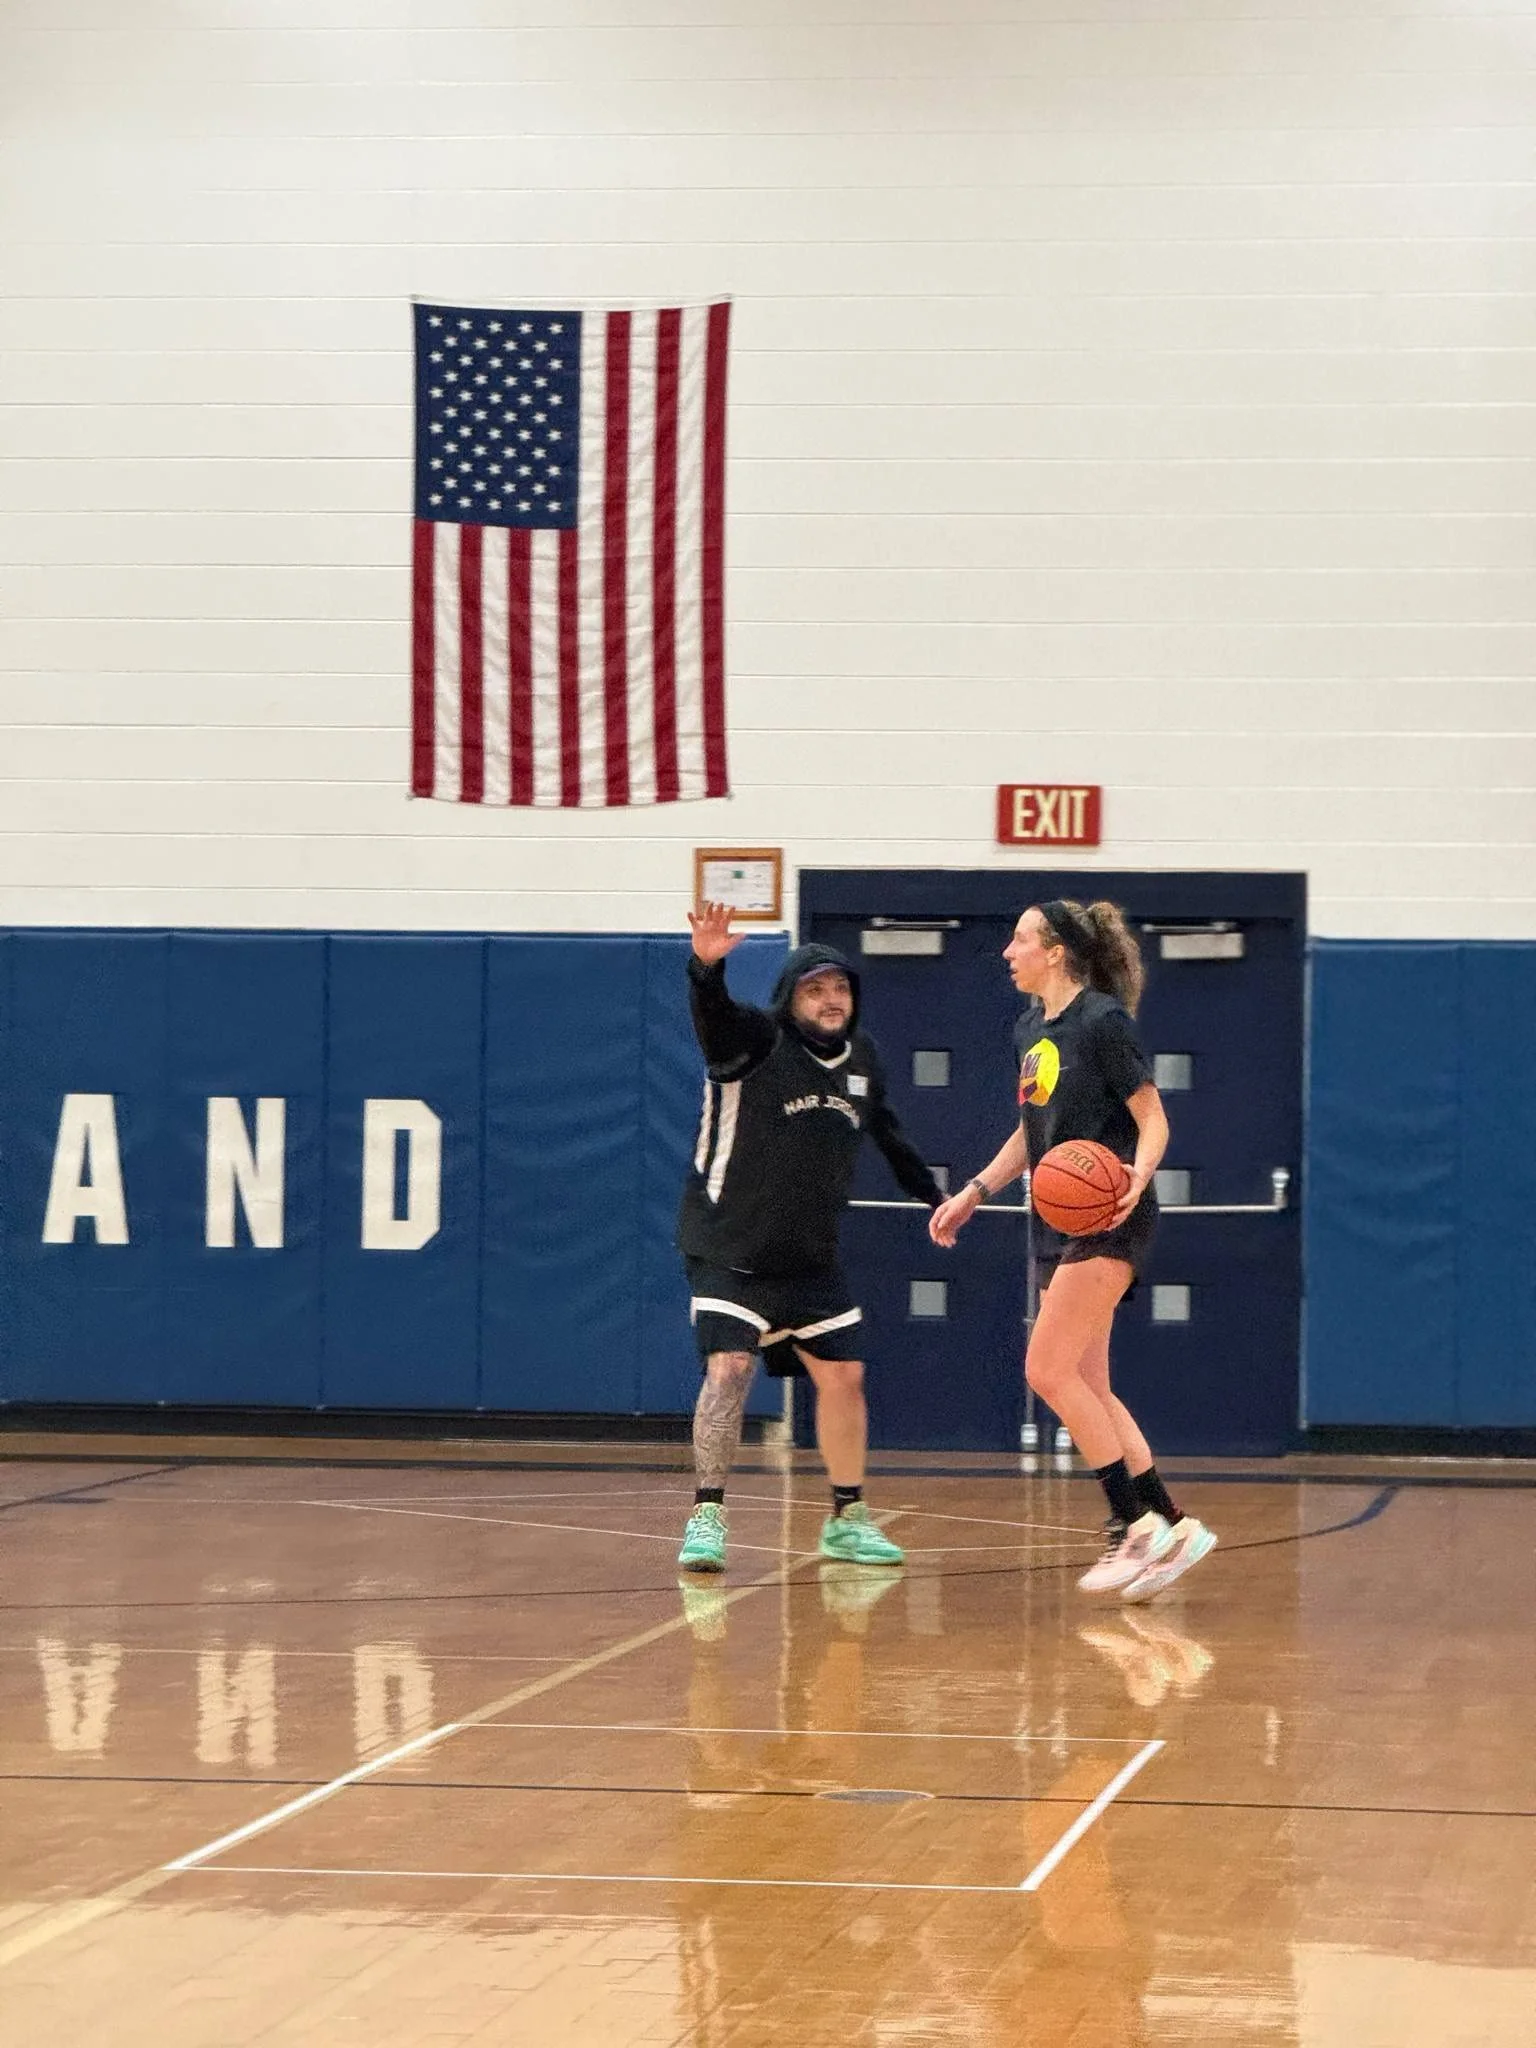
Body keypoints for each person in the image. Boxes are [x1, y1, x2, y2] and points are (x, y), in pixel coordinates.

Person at [929, 898, 1216, 1600]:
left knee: (1046, 1369)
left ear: (1055, 952)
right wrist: (976, 1189)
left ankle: (1132, 1524)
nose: (1008, 952)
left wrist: (1138, 1174)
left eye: (1019, 939)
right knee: (1088, 1383)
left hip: (1112, 1214)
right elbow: (1035, 1134)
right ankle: (1171, 1523)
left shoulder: (1103, 1022)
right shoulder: (1032, 1028)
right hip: (1067, 1222)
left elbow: (1153, 1118)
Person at [676, 901, 945, 1573]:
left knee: (845, 1375)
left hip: (807, 1255)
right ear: (790, 998)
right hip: (728, 1244)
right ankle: (707, 1513)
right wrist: (707, 968)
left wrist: (936, 1198)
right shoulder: (755, 1042)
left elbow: (888, 1134)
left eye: (841, 988)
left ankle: (848, 1519)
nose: (831, 1000)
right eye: (815, 989)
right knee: (730, 1368)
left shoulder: (864, 1060)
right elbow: (712, 1021)